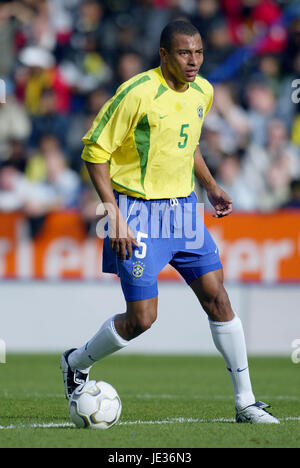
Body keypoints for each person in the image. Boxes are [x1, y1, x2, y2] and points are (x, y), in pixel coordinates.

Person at [61, 20, 279, 424]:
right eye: (183, 53)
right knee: (142, 319)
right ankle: (76, 362)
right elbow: (94, 152)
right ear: (164, 55)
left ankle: (246, 403)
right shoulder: (136, 93)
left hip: (184, 210)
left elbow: (188, 143)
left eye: (197, 52)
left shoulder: (204, 91)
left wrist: (211, 186)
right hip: (137, 213)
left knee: (219, 298)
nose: (193, 61)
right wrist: (115, 214)